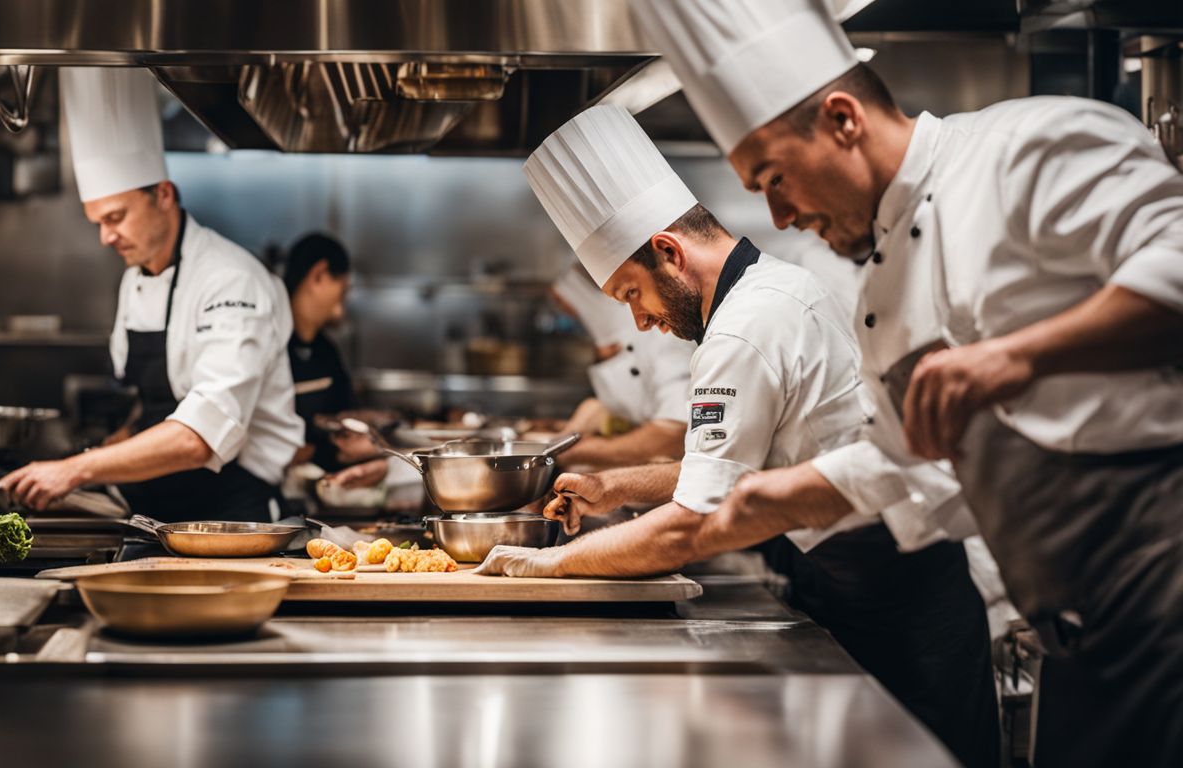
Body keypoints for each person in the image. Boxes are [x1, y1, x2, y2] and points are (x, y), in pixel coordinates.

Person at [629, 0, 1183, 763]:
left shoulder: (1030, 146)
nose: (781, 217)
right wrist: (785, 493)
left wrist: (1018, 356)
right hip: (1078, 637)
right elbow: (904, 459)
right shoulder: (883, 292)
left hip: (1166, 599)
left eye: (776, 178)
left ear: (842, 119)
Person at [478, 104, 998, 768]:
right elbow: (740, 469)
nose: (639, 321)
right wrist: (615, 486)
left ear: (669, 251)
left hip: (903, 611)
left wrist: (550, 565)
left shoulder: (745, 330)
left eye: (632, 292)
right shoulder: (770, 291)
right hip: (873, 585)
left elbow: (694, 524)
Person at [0, 68, 304, 523]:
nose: (106, 237)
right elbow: (152, 406)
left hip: (233, 514)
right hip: (156, 509)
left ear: (163, 194)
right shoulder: (136, 275)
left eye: (116, 217)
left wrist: (75, 469)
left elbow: (200, 436)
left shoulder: (231, 280)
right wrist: (99, 454)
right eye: (97, 221)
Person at [551, 265, 692, 468]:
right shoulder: (609, 345)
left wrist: (577, 452)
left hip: (672, 478)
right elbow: (630, 407)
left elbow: (674, 433)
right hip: (638, 470)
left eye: (570, 310)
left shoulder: (665, 338)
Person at [275, 232, 371, 473]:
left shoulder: (325, 350)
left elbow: (347, 419)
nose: (345, 295)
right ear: (319, 274)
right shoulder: (269, 342)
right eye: (343, 285)